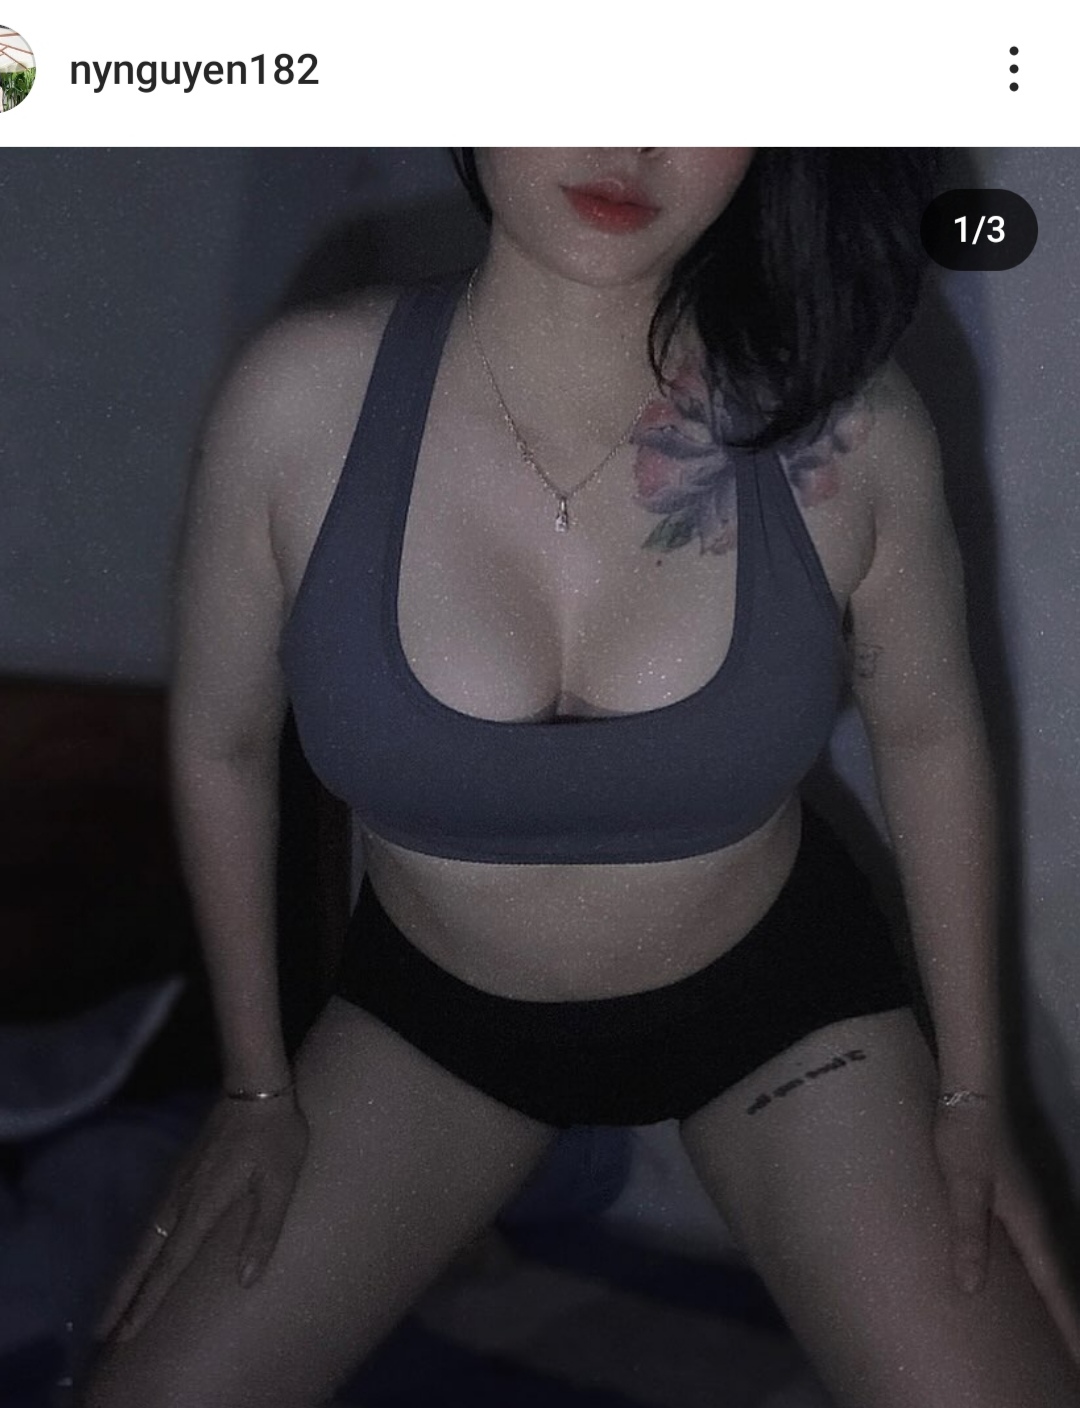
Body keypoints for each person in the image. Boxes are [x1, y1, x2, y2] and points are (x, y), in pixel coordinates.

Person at [81, 149, 1080, 1407]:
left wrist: (975, 1094)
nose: (632, 134)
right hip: (434, 1019)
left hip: (778, 1001)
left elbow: (930, 736)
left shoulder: (852, 426)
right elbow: (223, 744)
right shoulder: (300, 400)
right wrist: (255, 1080)